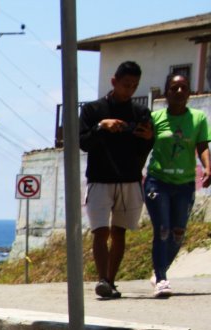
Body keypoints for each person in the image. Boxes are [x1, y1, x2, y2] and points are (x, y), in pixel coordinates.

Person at [78, 60, 154, 300]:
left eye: (134, 86)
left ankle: (110, 280)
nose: (129, 90)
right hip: (100, 179)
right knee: (100, 232)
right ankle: (101, 279)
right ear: (114, 82)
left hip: (129, 179)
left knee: (119, 232)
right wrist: (102, 127)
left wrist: (148, 137)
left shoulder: (140, 113)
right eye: (125, 84)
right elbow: (83, 142)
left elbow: (146, 145)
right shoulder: (92, 110)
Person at [144, 73, 211, 298]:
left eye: (183, 87)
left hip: (184, 183)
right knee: (162, 229)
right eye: (174, 88)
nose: (179, 91)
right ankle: (162, 278)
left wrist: (208, 167)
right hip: (158, 181)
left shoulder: (198, 118)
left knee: (178, 233)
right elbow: (143, 146)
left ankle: (159, 268)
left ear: (190, 92)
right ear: (166, 93)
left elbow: (202, 145)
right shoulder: (156, 118)